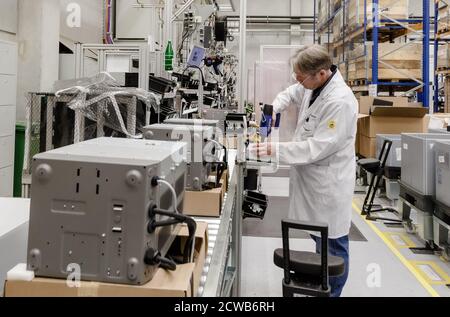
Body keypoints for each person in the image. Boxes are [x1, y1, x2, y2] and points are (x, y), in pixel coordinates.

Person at [252, 44, 358, 297]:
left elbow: (317, 147)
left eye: (302, 77)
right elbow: (292, 93)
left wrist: (275, 149)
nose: (298, 82)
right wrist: (273, 107)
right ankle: (322, 281)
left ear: (321, 73)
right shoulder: (315, 86)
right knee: (320, 240)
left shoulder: (340, 102)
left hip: (328, 185)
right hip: (312, 182)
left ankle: (332, 293)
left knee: (334, 245)